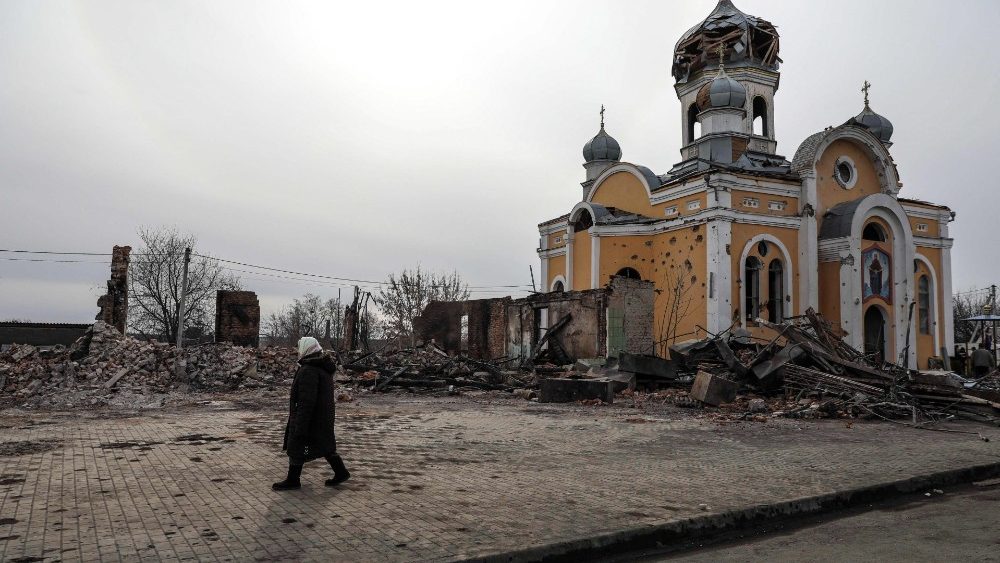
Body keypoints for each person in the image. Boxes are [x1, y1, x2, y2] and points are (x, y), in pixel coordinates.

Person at [272, 336, 350, 491]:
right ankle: (341, 472)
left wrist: (301, 424)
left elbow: (306, 401)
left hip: (311, 417)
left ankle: (293, 480)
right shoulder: (321, 367)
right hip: (322, 417)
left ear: (305, 350)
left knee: (297, 445)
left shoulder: (309, 370)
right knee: (325, 445)